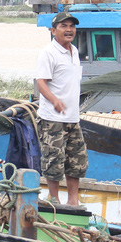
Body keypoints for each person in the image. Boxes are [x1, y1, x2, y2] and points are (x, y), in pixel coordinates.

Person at [34, 12, 87, 206]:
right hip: (52, 118)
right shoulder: (48, 53)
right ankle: (54, 199)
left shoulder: (74, 51)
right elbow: (41, 82)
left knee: (77, 161)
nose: (69, 30)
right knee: (53, 160)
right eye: (63, 26)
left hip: (73, 118)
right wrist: (54, 100)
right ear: (53, 30)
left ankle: (73, 201)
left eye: (72, 26)